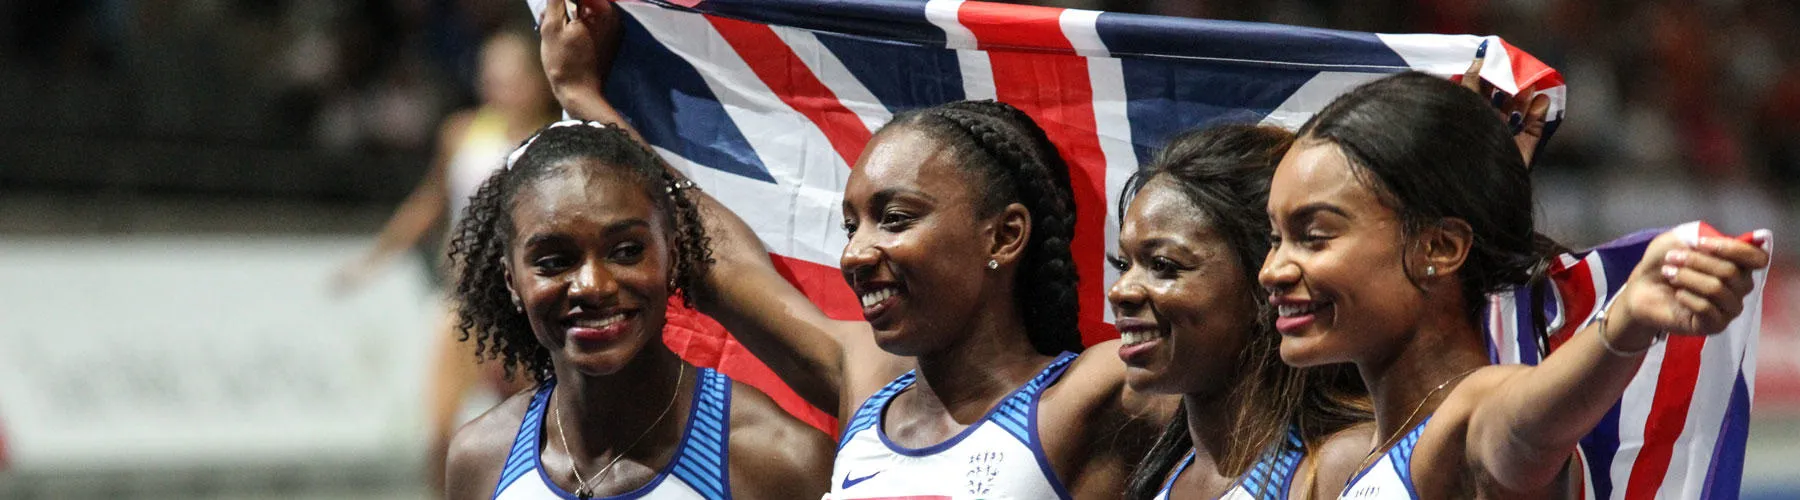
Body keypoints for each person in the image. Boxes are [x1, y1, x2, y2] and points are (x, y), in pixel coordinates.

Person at [537, 1, 1166, 498]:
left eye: (893, 219)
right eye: (850, 226)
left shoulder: (1101, 390)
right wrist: (584, 101)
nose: (857, 254)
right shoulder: (869, 384)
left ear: (1003, 236)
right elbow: (708, 253)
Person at [1259, 72, 1770, 498]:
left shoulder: (1472, 416)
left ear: (1439, 248)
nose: (1273, 269)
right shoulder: (1361, 449)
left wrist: (1623, 324)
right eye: (1274, 237)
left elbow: (1524, 427)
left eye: (1314, 236)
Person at [441, 121, 833, 500]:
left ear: (673, 257)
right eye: (554, 261)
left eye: (627, 251)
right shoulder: (480, 458)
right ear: (512, 281)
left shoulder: (779, 460)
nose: (592, 285)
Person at [329, 30, 558, 492]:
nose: (500, 86)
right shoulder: (462, 133)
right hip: (467, 301)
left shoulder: (555, 137)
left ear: (537, 79)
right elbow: (430, 201)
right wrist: (373, 261)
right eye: (491, 75)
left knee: (538, 424)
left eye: (511, 75)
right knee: (439, 427)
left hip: (529, 306)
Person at [1110, 124, 1373, 500]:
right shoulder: (1163, 472)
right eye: (1124, 265)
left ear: (1265, 279)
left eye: (1163, 264)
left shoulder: (1342, 466)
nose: (1120, 291)